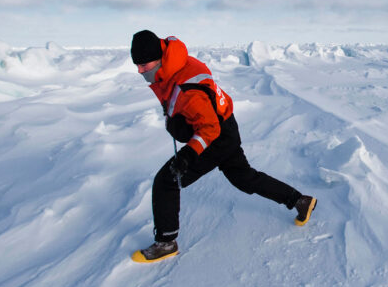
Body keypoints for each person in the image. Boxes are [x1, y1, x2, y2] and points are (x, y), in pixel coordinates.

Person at [130, 30, 317, 262]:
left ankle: (166, 242)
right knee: (244, 177)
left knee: (167, 181)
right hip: (225, 125)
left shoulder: (188, 90)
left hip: (215, 135)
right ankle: (300, 201)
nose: (140, 70)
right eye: (136, 65)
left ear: (158, 58)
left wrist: (188, 154)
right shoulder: (176, 61)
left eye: (143, 65)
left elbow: (209, 129)